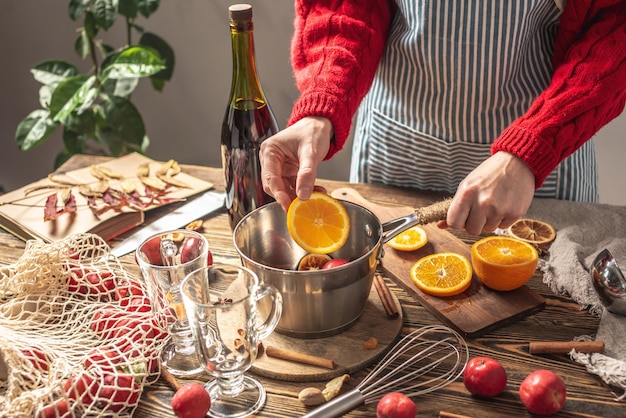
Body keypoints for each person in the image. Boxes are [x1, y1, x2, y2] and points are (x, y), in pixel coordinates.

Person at [260, 0, 625, 235]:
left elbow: (617, 25)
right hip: (398, 150)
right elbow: (345, 4)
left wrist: (532, 149)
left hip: (539, 165)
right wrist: (323, 102)